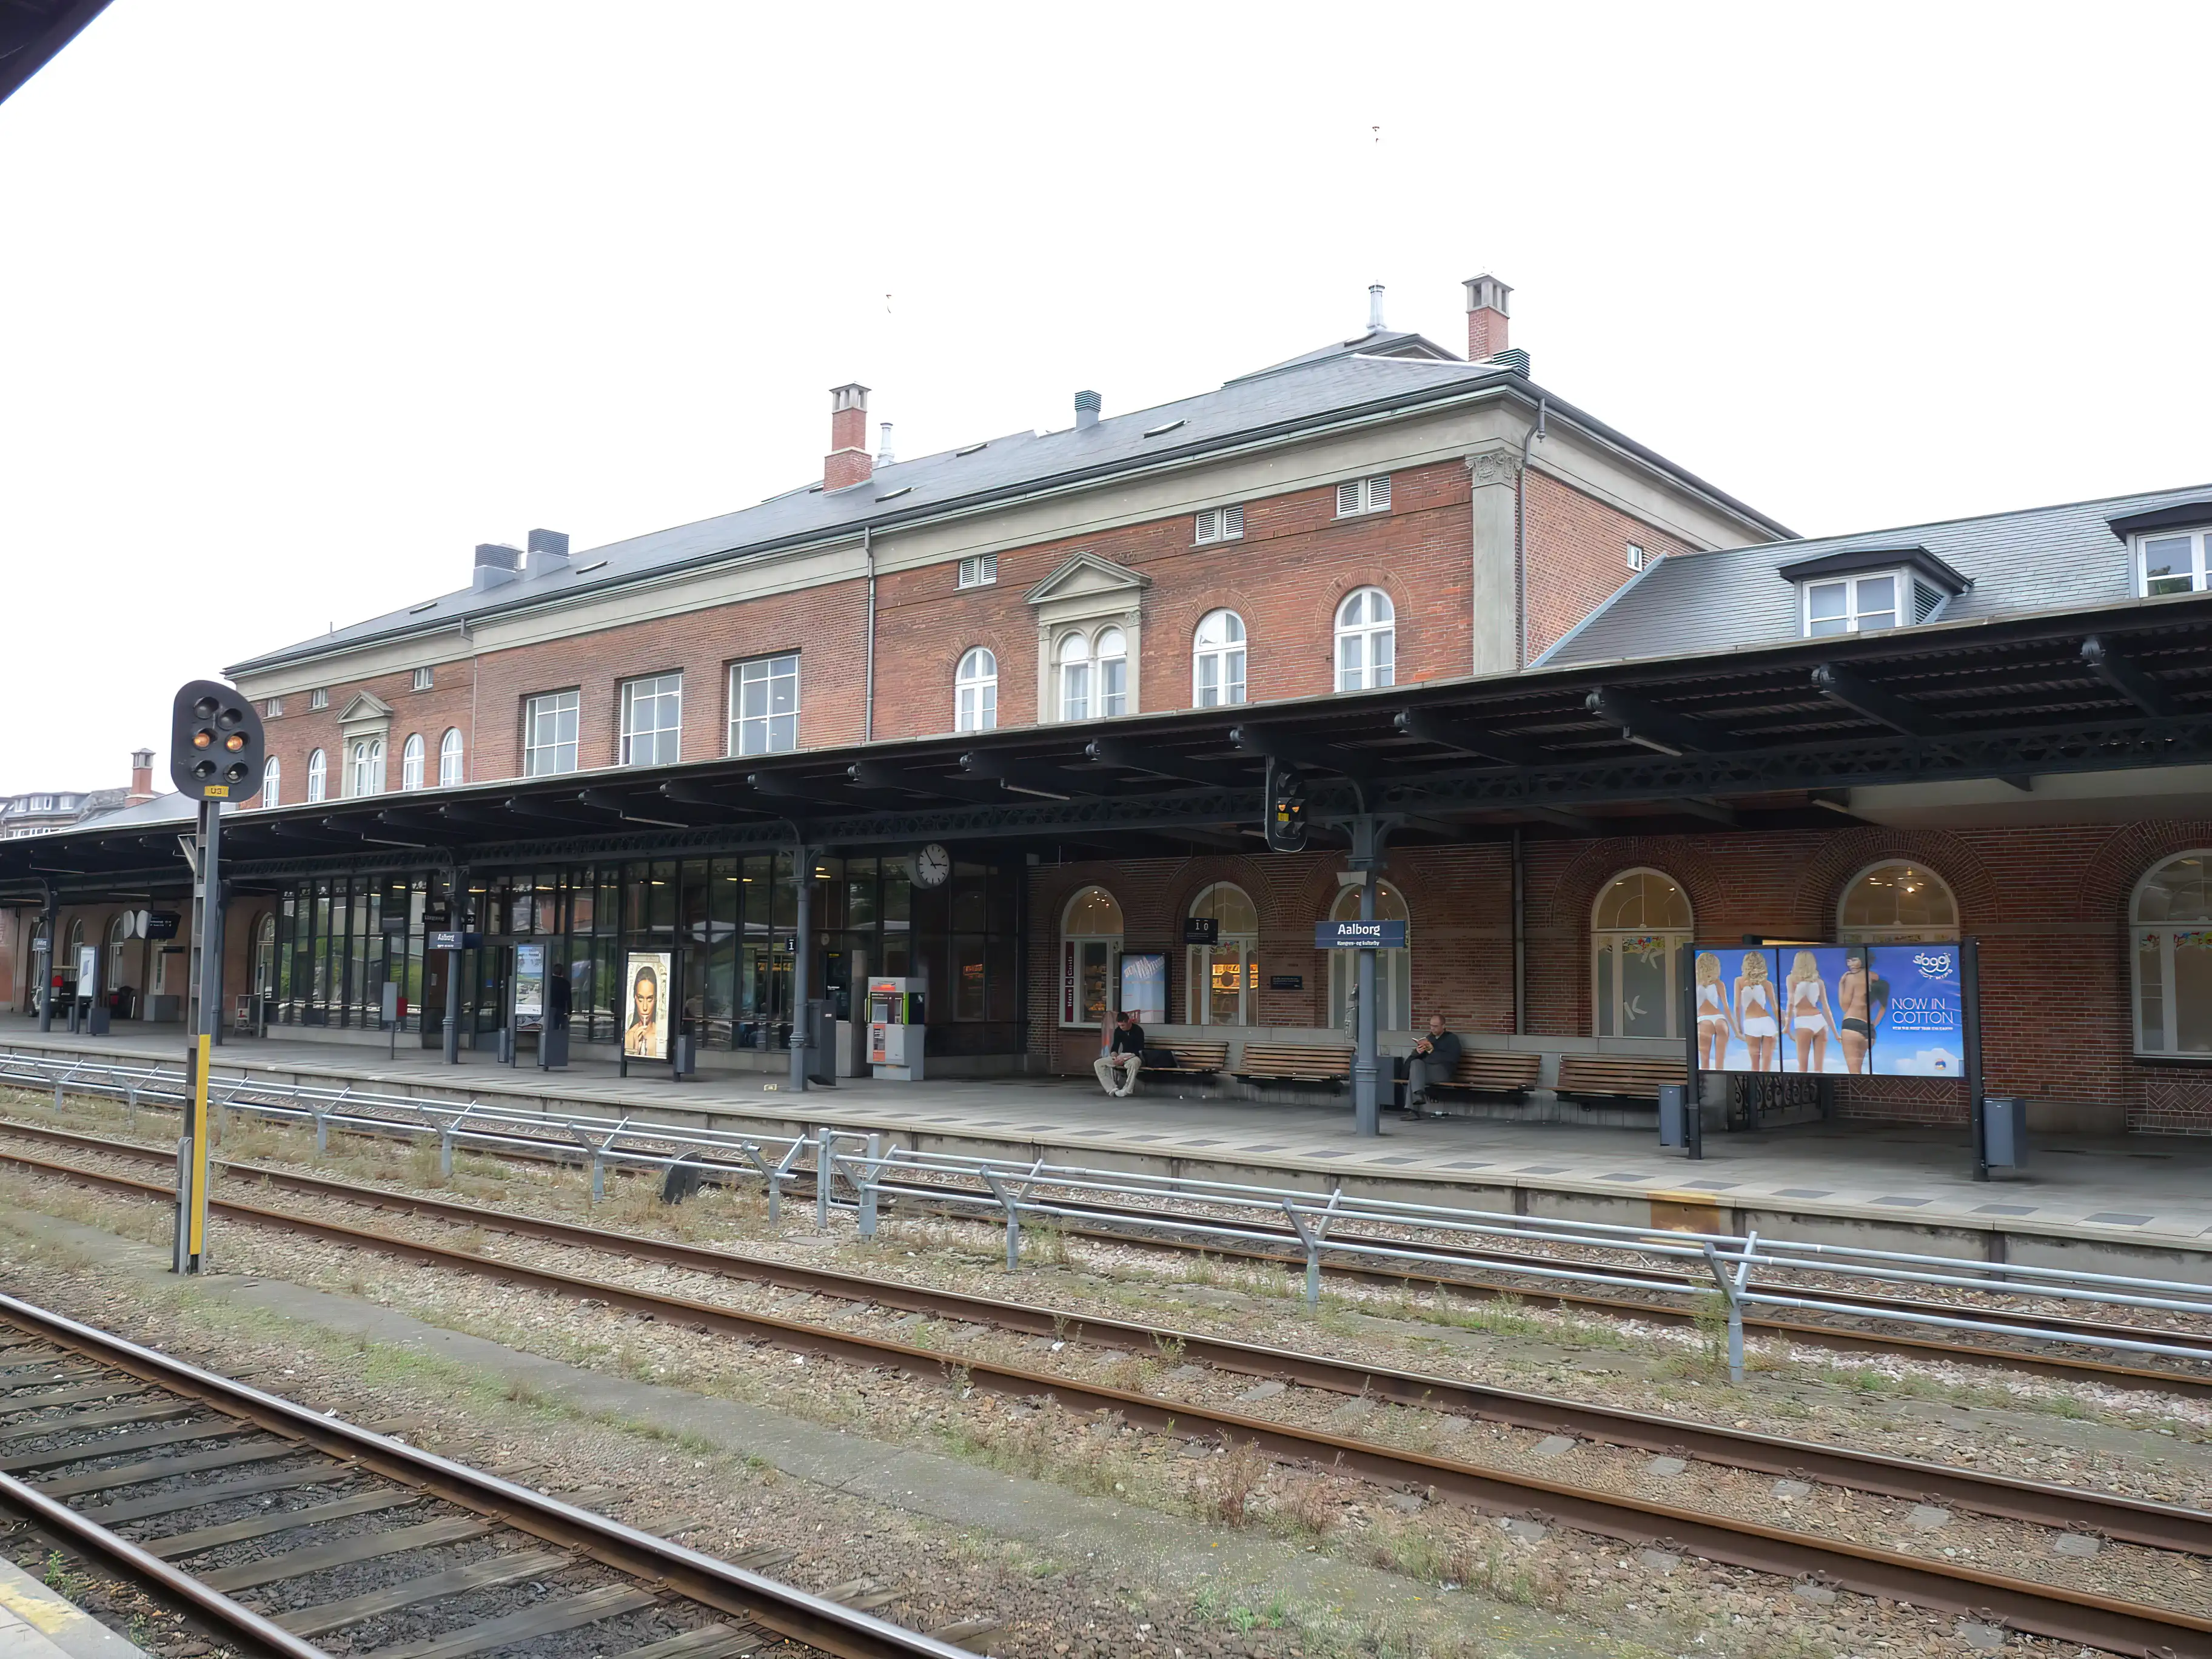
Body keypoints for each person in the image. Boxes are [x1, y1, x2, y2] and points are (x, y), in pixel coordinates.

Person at [1395, 1012, 1462, 1118]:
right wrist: (1416, 1053)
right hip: (1426, 1072)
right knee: (1416, 1063)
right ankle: (1418, 1094)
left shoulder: (1452, 1039)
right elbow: (1411, 1064)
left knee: (1415, 1077)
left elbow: (1452, 1059)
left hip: (1443, 1071)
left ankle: (1414, 1109)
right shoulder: (1428, 1039)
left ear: (1443, 1026)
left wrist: (1431, 1052)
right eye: (1431, 1026)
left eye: (1435, 1026)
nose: (1433, 1029)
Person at [1837, 948, 1888, 1074]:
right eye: (1848, 961)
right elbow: (1883, 1006)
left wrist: (1841, 985)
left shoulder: (1851, 978)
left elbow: (1844, 1006)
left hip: (1852, 1026)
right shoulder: (1876, 978)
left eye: (1854, 960)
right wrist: (1874, 1024)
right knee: (1863, 1072)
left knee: (1854, 1074)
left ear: (1863, 960)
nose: (1850, 964)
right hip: (1870, 1030)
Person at [1785, 949, 1835, 1074]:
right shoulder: (1819, 982)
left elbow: (1790, 1003)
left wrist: (1787, 1026)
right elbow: (1826, 1007)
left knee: (1803, 1069)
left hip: (1803, 1022)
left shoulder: (1792, 979)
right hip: (1820, 1022)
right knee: (1819, 1070)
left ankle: (1806, 1093)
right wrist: (1835, 1032)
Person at [1733, 951, 1777, 1071]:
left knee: (1755, 1066)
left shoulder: (1739, 981)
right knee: (1767, 1066)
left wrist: (1739, 1027)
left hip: (1751, 1023)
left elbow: (1737, 1007)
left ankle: (1755, 1090)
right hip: (1768, 1022)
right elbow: (1775, 1007)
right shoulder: (1766, 983)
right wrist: (1784, 1024)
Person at [1694, 951, 1734, 1071]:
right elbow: (1726, 1008)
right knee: (1720, 1066)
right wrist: (1736, 1030)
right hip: (1720, 1020)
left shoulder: (1694, 982)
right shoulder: (1719, 983)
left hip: (1703, 1020)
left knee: (1704, 1063)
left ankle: (1706, 1089)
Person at [1094, 1008, 1144, 1097]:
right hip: (1122, 1055)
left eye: (1123, 1025)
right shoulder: (1118, 1031)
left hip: (1133, 1056)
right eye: (1120, 1025)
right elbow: (1115, 1047)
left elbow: (1139, 1049)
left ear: (1129, 1021)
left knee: (1135, 1063)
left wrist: (1125, 1058)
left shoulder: (1138, 1030)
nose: (1121, 1027)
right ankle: (1112, 1089)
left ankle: (1127, 1089)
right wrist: (1114, 1057)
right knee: (1098, 1063)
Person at [624, 962, 663, 1059]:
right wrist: (636, 1048)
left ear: (656, 999)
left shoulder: (661, 1035)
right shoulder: (629, 1035)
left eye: (650, 999)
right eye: (640, 999)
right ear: (635, 998)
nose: (645, 1007)